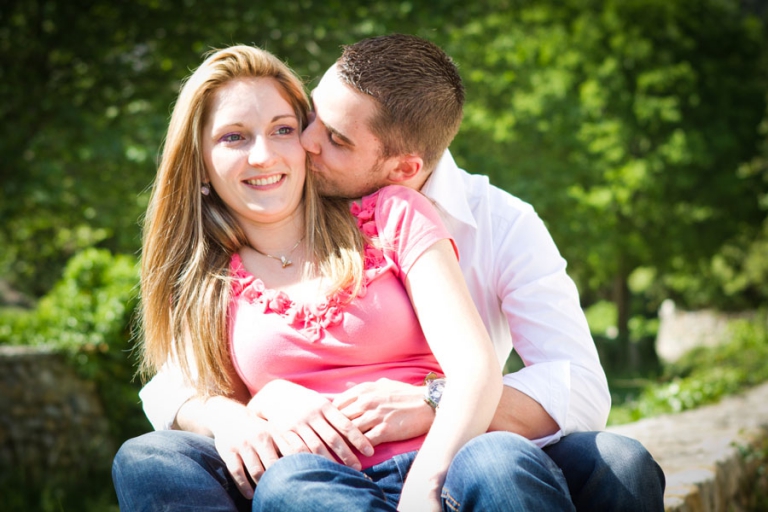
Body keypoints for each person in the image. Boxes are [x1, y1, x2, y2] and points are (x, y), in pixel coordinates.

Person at [116, 35, 666, 511]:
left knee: (611, 462)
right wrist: (239, 410)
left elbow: (578, 389)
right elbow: (175, 380)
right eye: (308, 120)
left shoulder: (456, 219)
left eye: (321, 136)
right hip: (314, 471)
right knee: (212, 472)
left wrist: (431, 403)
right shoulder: (211, 263)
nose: (299, 146)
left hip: (463, 445)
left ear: (402, 171)